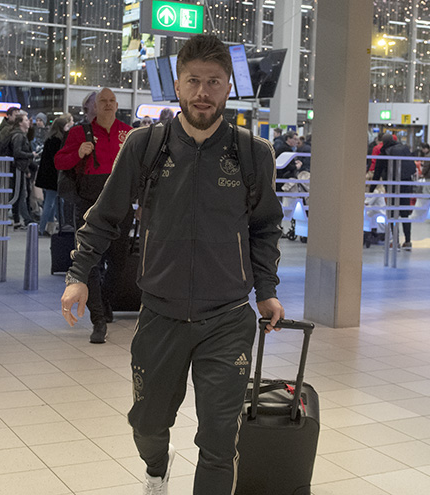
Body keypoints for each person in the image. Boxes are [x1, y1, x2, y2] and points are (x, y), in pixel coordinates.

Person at [60, 34, 284, 495]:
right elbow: (105, 216)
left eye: (214, 82)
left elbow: (265, 227)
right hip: (160, 315)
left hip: (227, 318)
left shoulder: (252, 152)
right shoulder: (146, 146)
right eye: (193, 81)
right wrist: (78, 275)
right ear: (178, 86)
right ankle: (156, 468)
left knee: (219, 440)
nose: (203, 92)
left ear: (228, 88)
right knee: (147, 424)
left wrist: (266, 290)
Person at [55, 87, 133, 343]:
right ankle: (98, 318)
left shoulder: (128, 133)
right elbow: (59, 162)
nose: (108, 104)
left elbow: (140, 170)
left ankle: (105, 301)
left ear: (117, 105)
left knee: (119, 262)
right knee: (90, 263)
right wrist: (78, 153)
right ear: (93, 106)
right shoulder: (79, 133)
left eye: (112, 101)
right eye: (103, 101)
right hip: (89, 204)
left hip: (120, 204)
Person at [36, 114, 73, 235]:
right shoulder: (59, 141)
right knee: (52, 203)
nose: (68, 128)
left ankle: (49, 227)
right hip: (54, 176)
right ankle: (44, 228)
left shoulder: (50, 139)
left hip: (48, 175)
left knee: (52, 202)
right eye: (66, 126)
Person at [7, 115, 36, 228]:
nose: (28, 121)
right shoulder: (19, 136)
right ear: (20, 123)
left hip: (19, 167)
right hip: (18, 167)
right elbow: (17, 152)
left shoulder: (19, 134)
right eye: (25, 120)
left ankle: (17, 220)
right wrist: (30, 155)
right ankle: (26, 219)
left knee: (18, 194)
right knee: (19, 194)